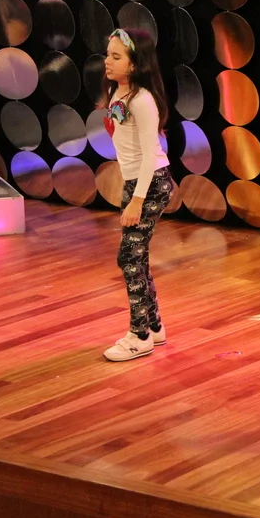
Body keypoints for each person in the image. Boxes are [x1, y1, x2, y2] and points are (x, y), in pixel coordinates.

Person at [100, 28, 175, 362]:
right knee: (136, 257)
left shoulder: (142, 100)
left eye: (116, 56)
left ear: (135, 64)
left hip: (151, 183)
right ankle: (154, 326)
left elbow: (149, 154)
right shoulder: (118, 92)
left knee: (129, 258)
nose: (108, 61)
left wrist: (137, 200)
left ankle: (139, 335)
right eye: (108, 54)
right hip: (137, 183)